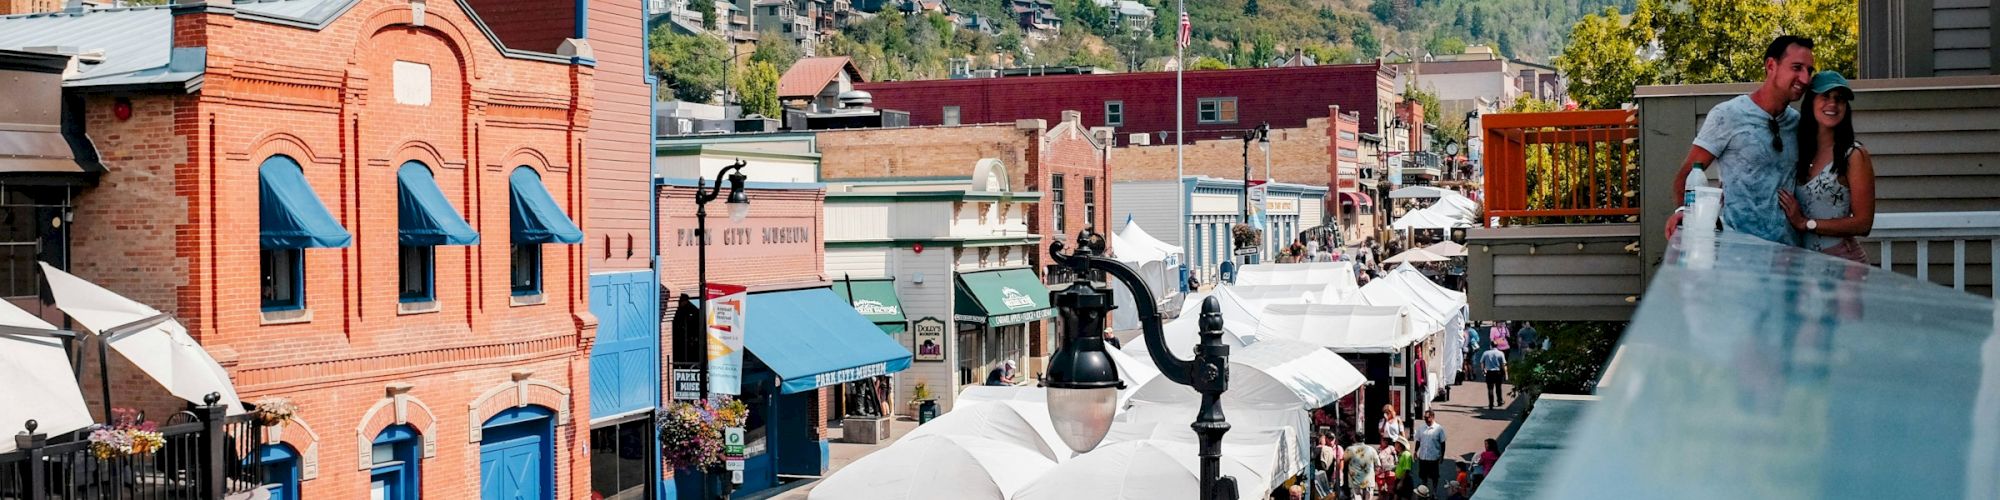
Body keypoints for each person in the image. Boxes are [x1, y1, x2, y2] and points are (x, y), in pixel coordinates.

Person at [1666, 35, 1817, 244]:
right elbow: (1687, 174)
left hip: (1788, 255)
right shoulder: (1728, 115)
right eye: (1797, 68)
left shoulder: (1797, 123)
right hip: (1737, 251)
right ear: (1771, 65)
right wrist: (1684, 211)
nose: (1805, 78)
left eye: (1809, 71)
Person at [1778, 71, 1875, 263]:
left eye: (1839, 99)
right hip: (1803, 264)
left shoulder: (1854, 155)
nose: (1833, 104)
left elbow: (1864, 224)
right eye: (1825, 96)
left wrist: (1806, 223)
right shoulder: (1797, 151)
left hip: (1842, 263)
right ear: (1811, 102)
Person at [1415, 410, 1446, 494]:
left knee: (1434, 477)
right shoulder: (1421, 428)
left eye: (1427, 417)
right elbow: (1418, 440)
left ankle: (1434, 492)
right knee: (1423, 476)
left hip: (1433, 457)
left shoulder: (1439, 429)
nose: (1425, 419)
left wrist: (1442, 456)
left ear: (1432, 417)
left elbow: (1443, 443)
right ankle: (1424, 492)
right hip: (1423, 457)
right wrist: (1415, 451)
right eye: (1424, 417)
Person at [1346, 432, 1379, 500]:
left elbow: (1344, 462)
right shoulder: (1371, 449)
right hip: (1368, 481)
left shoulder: (1350, 450)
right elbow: (1378, 465)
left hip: (1355, 481)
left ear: (1354, 439)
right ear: (1364, 439)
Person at [1479, 344, 1508, 408]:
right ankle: (1499, 401)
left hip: (1489, 373)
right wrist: (1505, 374)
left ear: (1491, 346)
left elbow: (1482, 362)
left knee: (1490, 389)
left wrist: (1483, 370)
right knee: (1498, 388)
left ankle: (1491, 403)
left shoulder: (1486, 353)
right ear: (1497, 346)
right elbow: (1503, 364)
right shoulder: (1500, 353)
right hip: (1498, 373)